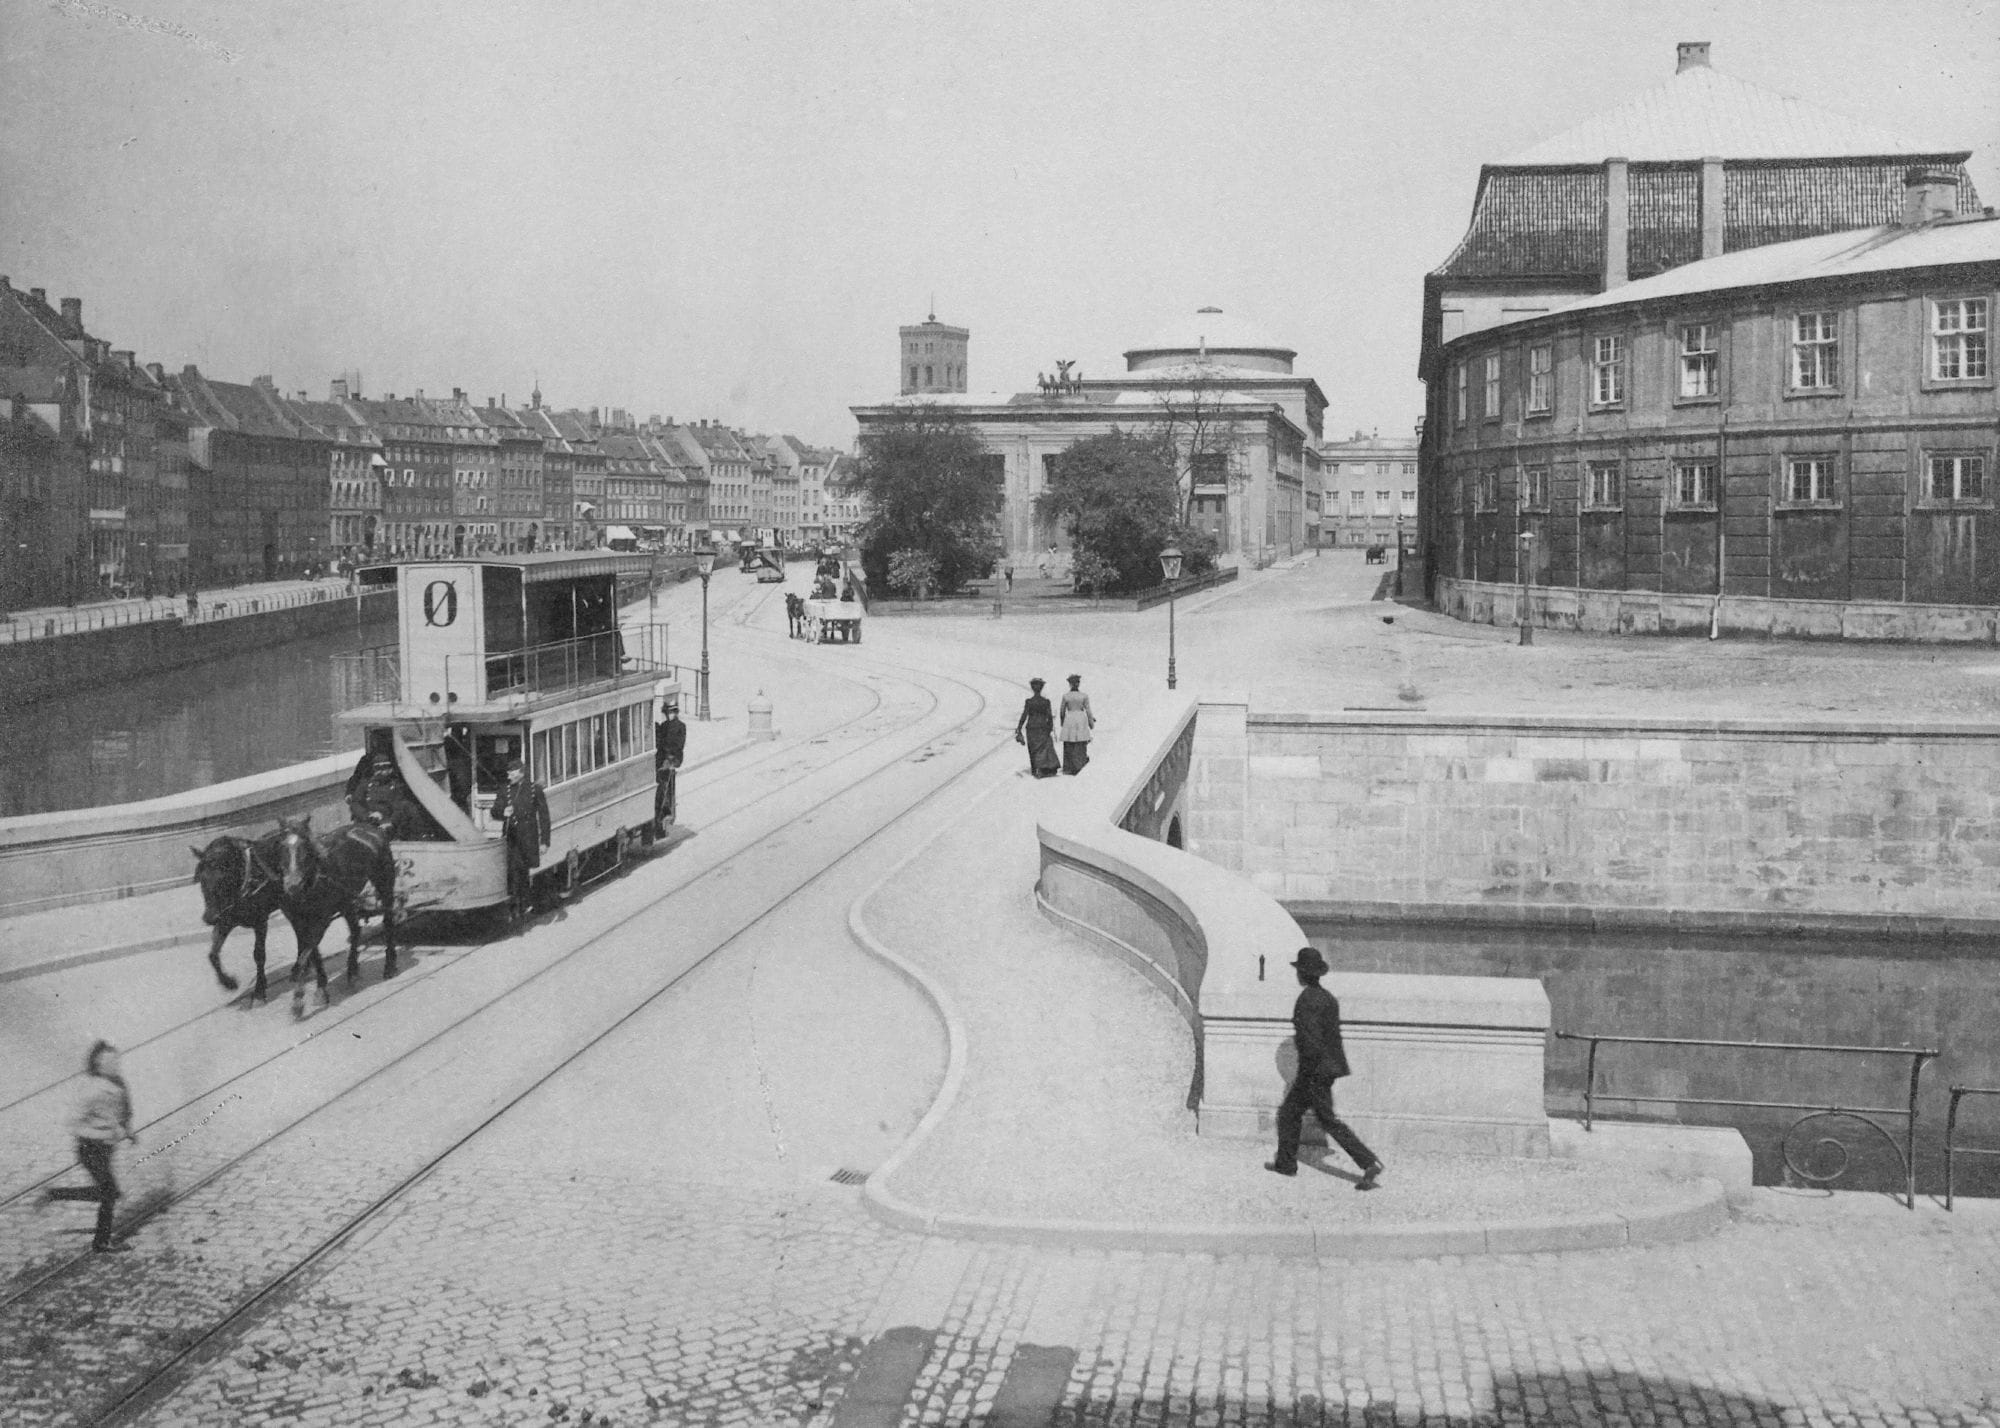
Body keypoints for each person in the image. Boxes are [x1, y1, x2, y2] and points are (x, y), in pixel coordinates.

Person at [1265, 947, 1383, 1189]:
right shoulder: (1327, 998)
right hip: (1328, 1068)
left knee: (1317, 1118)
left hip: (1314, 1070)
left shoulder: (1306, 1000)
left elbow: (1310, 1040)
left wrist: (1306, 1072)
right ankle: (1286, 1164)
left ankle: (1368, 1162)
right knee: (1295, 1114)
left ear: (1302, 974)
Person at [43, 1040, 137, 1252]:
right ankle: (101, 1242)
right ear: (98, 1065)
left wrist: (128, 1130)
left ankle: (55, 1194)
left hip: (106, 1147)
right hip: (90, 1148)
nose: (115, 1065)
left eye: (116, 1060)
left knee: (108, 1193)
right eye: (109, 1062)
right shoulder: (92, 1090)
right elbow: (72, 1122)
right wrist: (103, 1133)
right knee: (110, 1193)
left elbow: (125, 1109)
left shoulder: (118, 1083)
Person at [493, 758, 551, 920]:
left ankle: (523, 904)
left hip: (528, 838)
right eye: (508, 771)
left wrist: (545, 841)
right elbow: (494, 811)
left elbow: (544, 817)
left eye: (512, 771)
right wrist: (503, 812)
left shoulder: (534, 790)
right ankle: (515, 906)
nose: (508, 774)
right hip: (511, 838)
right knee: (513, 872)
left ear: (521, 772)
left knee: (523, 872)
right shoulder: (504, 790)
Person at [1013, 677, 1060, 778]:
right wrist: (1050, 728)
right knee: (1044, 748)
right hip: (1042, 726)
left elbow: (1024, 715)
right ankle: (1045, 767)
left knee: (1033, 748)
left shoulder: (1029, 702)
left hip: (1031, 727)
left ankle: (1035, 769)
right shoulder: (1046, 701)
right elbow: (1049, 716)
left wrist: (1019, 727)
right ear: (1041, 688)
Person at [654, 700, 686, 835]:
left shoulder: (680, 726)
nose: (670, 715)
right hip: (662, 759)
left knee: (664, 788)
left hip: (672, 759)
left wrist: (669, 759)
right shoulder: (664, 725)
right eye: (668, 712)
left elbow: (679, 745)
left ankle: (662, 816)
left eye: (673, 712)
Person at [1058, 674, 1094, 775]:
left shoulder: (1066, 696)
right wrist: (1091, 723)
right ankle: (1080, 763)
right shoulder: (1083, 696)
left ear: (1069, 684)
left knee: (1069, 742)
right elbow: (1088, 711)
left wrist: (1062, 722)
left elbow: (1062, 711)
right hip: (1080, 718)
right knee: (1081, 742)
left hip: (1069, 718)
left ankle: (1069, 766)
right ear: (1078, 683)